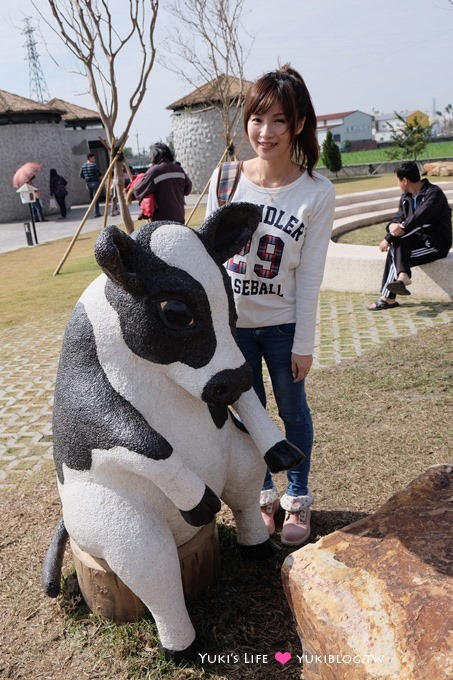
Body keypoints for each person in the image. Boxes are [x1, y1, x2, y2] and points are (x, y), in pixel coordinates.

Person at [205, 64, 336, 546]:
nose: (265, 132)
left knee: (292, 412)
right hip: (234, 329)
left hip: (283, 328)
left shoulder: (317, 192)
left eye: (279, 120)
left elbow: (311, 275)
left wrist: (304, 343)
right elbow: (207, 257)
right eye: (258, 119)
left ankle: (296, 498)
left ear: (298, 123)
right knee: (248, 414)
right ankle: (262, 495)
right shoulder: (226, 179)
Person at [368, 161, 452, 310]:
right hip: (416, 240)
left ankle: (389, 297)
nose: (398, 184)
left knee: (394, 249)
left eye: (397, 181)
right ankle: (402, 277)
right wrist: (391, 227)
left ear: (404, 180)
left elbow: (417, 220)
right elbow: (398, 219)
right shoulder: (406, 198)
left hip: (435, 245)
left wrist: (388, 239)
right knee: (396, 247)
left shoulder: (433, 194)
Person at [133, 143, 192, 223]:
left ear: (154, 155)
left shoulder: (154, 171)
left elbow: (138, 190)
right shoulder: (179, 169)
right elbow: (188, 190)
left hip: (161, 221)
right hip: (179, 217)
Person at [80, 153, 102, 217]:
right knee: (96, 199)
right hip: (95, 182)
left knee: (92, 199)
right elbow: (99, 174)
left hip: (88, 183)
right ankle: (97, 212)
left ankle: (93, 212)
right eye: (93, 158)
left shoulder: (83, 166)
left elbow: (81, 175)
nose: (94, 159)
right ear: (90, 158)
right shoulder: (93, 165)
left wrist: (87, 178)